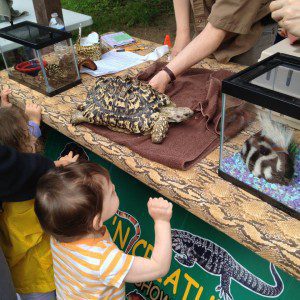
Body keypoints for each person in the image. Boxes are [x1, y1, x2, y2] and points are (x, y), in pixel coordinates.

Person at [35, 162, 173, 299]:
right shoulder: (105, 261)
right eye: (111, 193)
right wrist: (162, 221)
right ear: (97, 220)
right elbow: (159, 267)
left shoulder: (59, 232)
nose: (114, 186)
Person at [0, 89, 78, 300]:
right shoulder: (30, 192)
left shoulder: (11, 178)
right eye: (28, 133)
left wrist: (21, 117)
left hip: (19, 270)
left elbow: (22, 150)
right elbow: (28, 159)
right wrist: (62, 169)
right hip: (38, 274)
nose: (32, 137)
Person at [149, 0, 277, 93]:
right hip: (205, 32)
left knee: (241, 99)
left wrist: (166, 74)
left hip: (249, 36)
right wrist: (183, 33)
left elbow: (215, 32)